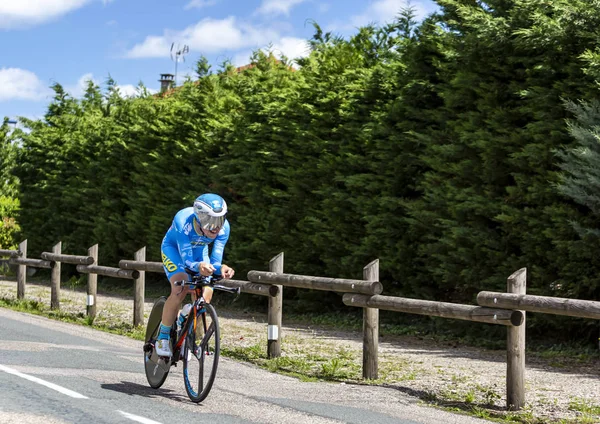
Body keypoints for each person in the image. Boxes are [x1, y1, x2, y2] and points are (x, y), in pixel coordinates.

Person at [156, 193, 235, 357]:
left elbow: (215, 262)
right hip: (174, 250)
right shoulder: (183, 220)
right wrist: (199, 266)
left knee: (207, 292)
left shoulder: (224, 228)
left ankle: (187, 327)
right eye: (212, 221)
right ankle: (162, 337)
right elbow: (187, 261)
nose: (216, 227)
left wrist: (222, 268)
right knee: (180, 287)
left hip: (199, 253)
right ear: (199, 217)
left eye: (220, 220)